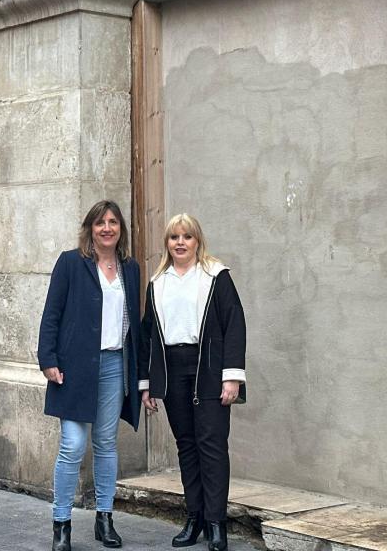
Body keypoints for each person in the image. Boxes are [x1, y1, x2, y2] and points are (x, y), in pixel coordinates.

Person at [138, 213, 246, 551]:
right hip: (173, 369)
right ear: (167, 244)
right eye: (174, 237)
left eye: (187, 236)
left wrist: (232, 378)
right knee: (186, 444)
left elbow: (235, 326)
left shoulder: (216, 276)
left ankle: (216, 523)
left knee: (211, 445)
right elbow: (147, 337)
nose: (180, 242)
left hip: (209, 368)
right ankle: (195, 516)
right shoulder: (158, 283)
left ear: (197, 241)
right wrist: (147, 383)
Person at [38, 200, 142, 551]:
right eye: (101, 223)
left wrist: (141, 376)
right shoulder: (71, 263)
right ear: (90, 228)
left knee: (106, 444)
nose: (107, 228)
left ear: (120, 229)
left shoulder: (131, 268)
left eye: (113, 222)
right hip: (76, 367)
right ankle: (62, 524)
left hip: (115, 365)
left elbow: (135, 327)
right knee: (73, 445)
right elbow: (51, 313)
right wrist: (47, 358)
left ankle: (104, 518)